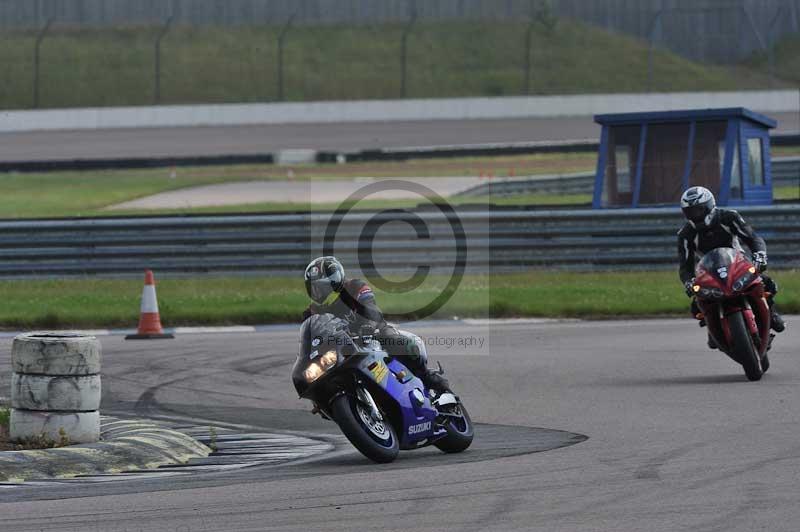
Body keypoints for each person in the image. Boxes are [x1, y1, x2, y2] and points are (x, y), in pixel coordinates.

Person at [301, 256, 451, 394]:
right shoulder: (312, 311)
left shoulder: (355, 286)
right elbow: (309, 337)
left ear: (335, 281)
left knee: (398, 342)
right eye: (314, 288)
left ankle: (426, 376)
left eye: (322, 287)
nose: (319, 293)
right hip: (342, 346)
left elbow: (370, 307)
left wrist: (369, 325)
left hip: (373, 333)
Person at [678, 186, 785, 346]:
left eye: (698, 210)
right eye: (690, 212)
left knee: (765, 282)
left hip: (737, 262)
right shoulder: (685, 234)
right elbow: (685, 265)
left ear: (709, 205)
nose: (695, 215)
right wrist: (689, 281)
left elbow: (752, 238)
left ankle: (771, 311)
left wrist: (760, 255)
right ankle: (712, 327)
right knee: (697, 303)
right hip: (708, 271)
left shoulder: (729, 217)